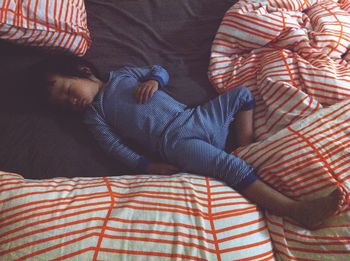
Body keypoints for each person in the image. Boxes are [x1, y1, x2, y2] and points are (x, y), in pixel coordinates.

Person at [35, 54, 345, 230]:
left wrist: (155, 80)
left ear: (82, 70)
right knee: (228, 166)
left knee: (242, 95)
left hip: (196, 117)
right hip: (174, 142)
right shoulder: (95, 115)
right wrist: (147, 165)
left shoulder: (124, 74)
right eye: (62, 104)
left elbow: (158, 69)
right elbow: (113, 147)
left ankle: (246, 144)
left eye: (65, 90)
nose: (69, 102)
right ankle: (293, 209)